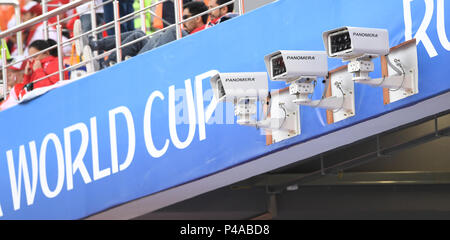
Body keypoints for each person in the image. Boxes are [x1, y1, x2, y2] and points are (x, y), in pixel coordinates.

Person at [81, 0, 208, 68]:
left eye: (185, 17)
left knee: (174, 30)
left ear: (198, 18)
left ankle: (107, 65)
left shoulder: (204, 31)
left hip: (161, 61)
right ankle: (96, 46)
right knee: (139, 34)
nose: (182, 20)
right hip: (159, 54)